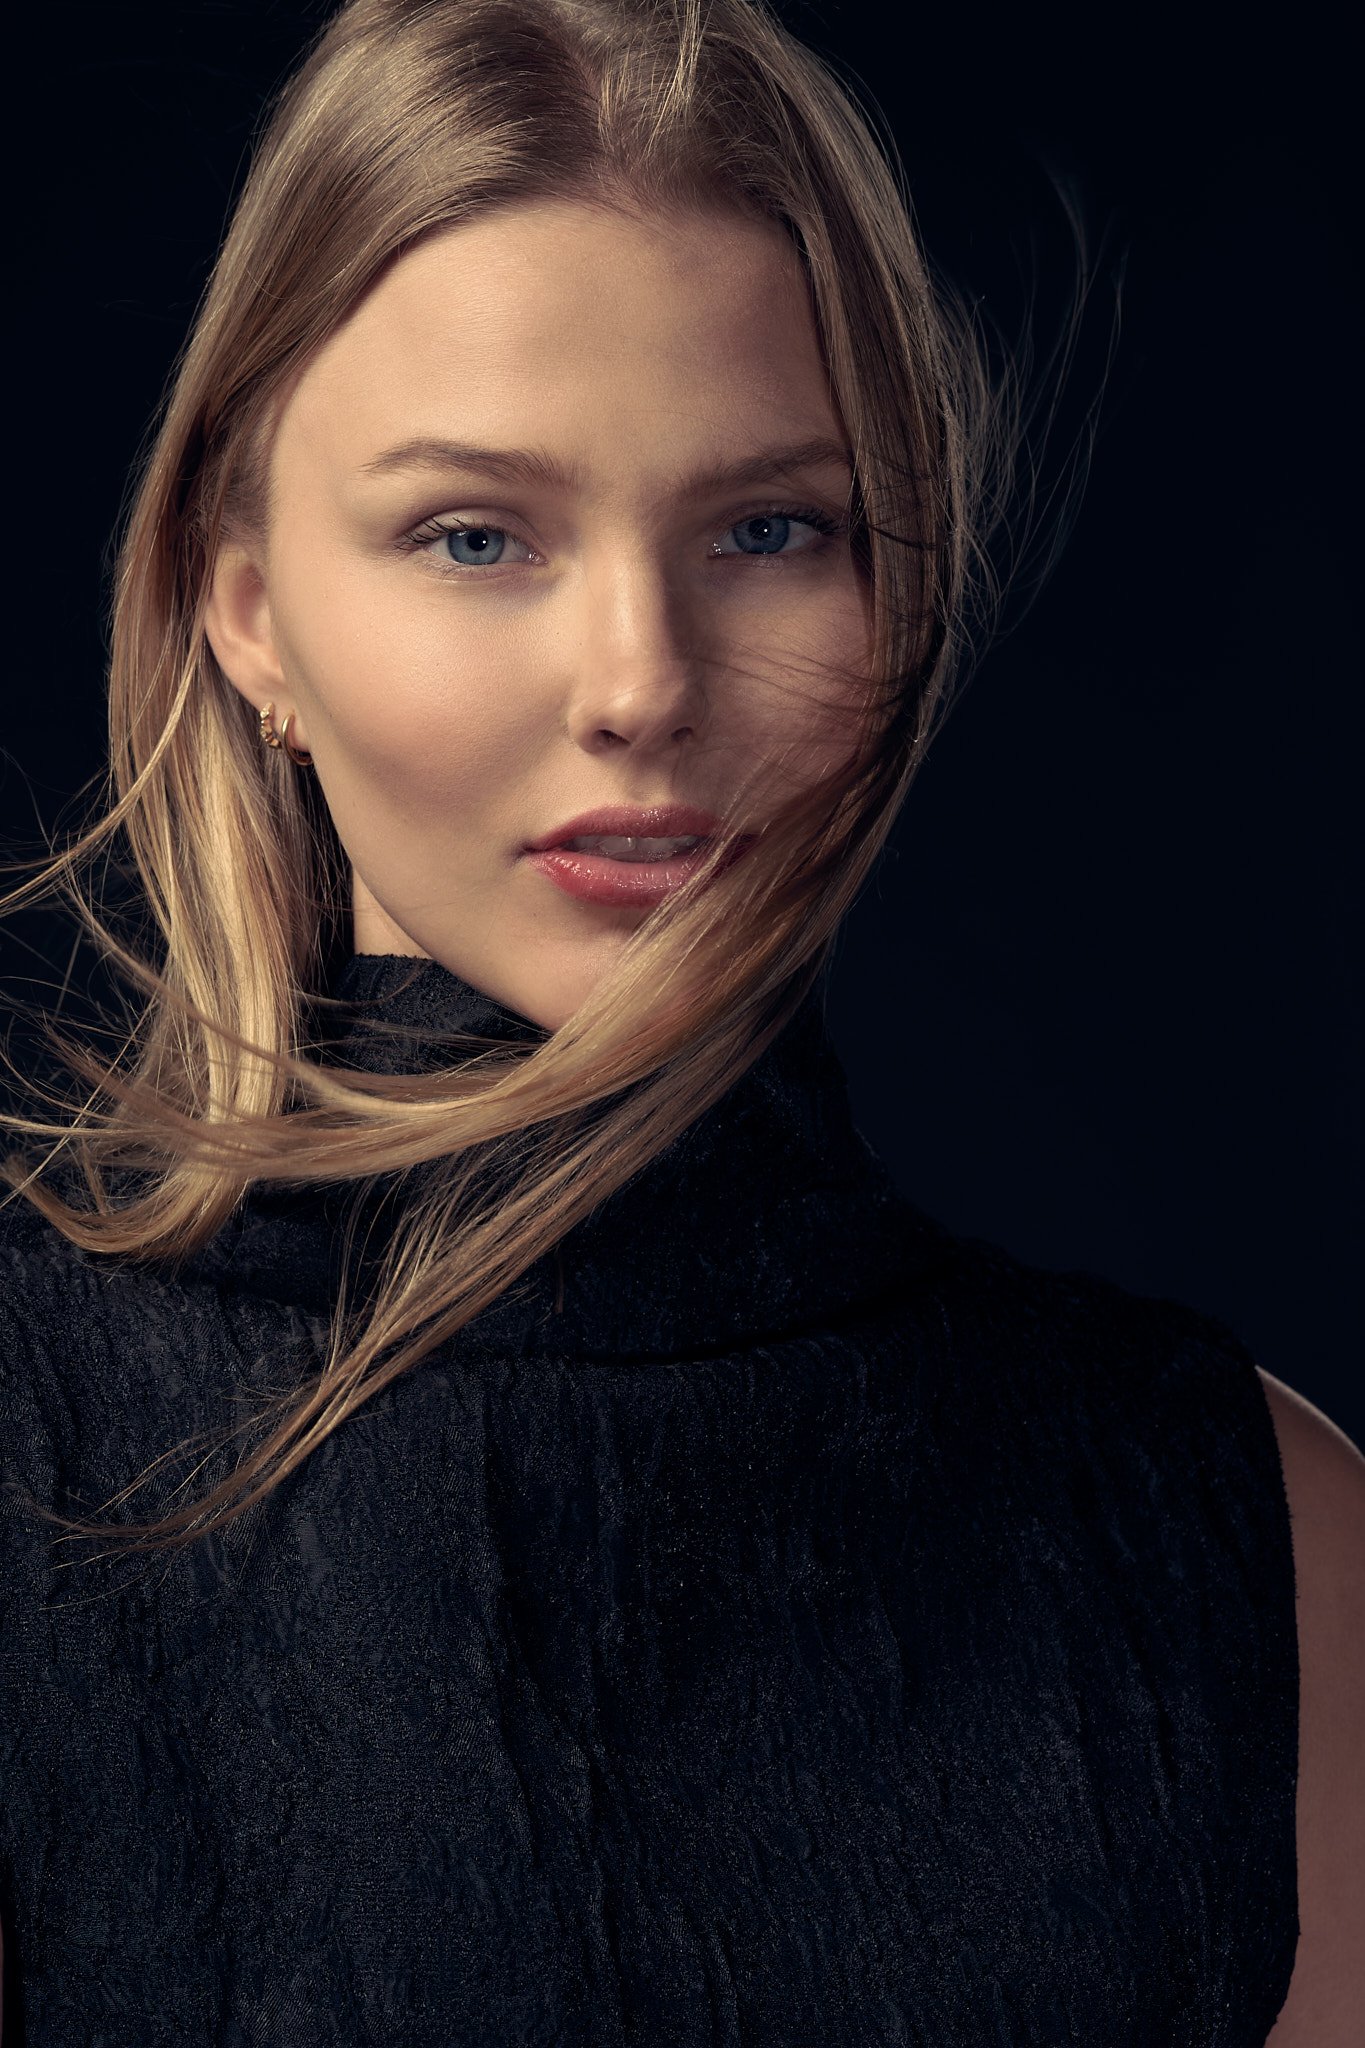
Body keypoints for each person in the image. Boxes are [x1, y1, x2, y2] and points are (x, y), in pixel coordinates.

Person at [1, 0, 1360, 2040]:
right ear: (248, 606)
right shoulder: (32, 1443)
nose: (641, 680)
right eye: (476, 535)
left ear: (889, 590)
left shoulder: (1243, 1521)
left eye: (765, 531)